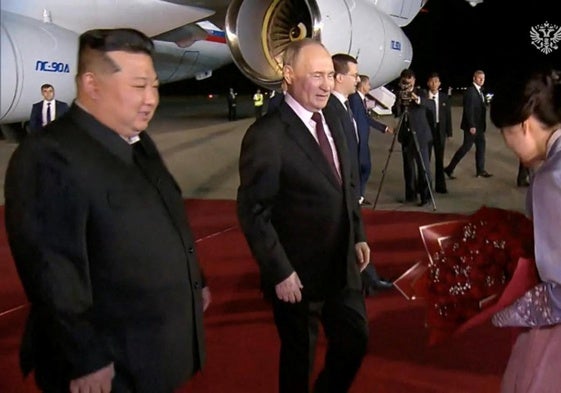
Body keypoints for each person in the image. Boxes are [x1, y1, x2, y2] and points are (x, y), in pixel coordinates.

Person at [4, 28, 210, 393]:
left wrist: (197, 280)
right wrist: (85, 357)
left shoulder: (136, 141)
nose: (151, 99)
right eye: (138, 86)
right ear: (92, 84)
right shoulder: (49, 157)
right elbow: (52, 270)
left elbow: (166, 215)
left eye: (155, 86)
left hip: (148, 351)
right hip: (108, 366)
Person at [237, 38, 370, 393]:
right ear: (289, 75)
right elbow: (253, 211)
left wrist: (358, 233)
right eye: (317, 75)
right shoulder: (267, 135)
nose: (327, 84)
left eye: (330, 75)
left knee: (355, 341)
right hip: (296, 277)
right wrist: (279, 270)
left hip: (341, 264)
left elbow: (346, 185)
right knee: (299, 361)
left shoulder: (336, 119)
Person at [489, 67, 561, 393]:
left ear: (524, 124)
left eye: (505, 133)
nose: (507, 145)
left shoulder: (552, 178)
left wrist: (506, 306)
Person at [348, 74, 393, 203]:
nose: (370, 86)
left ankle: (359, 197)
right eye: (368, 84)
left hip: (362, 142)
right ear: (362, 85)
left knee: (364, 168)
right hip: (359, 142)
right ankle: (357, 197)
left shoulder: (360, 99)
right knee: (363, 168)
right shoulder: (355, 99)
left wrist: (383, 128)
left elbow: (366, 119)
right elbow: (356, 122)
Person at [393, 68, 433, 206]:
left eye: (409, 82)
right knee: (408, 168)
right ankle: (410, 195)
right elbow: (396, 112)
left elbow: (430, 105)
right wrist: (399, 100)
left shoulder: (421, 92)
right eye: (405, 82)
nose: (407, 85)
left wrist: (417, 99)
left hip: (420, 135)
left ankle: (426, 196)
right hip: (406, 136)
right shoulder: (400, 93)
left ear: (414, 81)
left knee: (423, 167)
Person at [445, 70, 492, 178]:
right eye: (479, 78)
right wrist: (471, 125)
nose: (481, 80)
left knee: (481, 147)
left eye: (483, 78)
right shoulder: (471, 91)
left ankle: (480, 170)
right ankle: (449, 168)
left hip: (479, 127)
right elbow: (468, 110)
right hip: (473, 127)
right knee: (465, 147)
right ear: (474, 78)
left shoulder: (480, 91)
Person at [422, 72, 453, 194]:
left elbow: (448, 116)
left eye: (436, 81)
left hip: (440, 131)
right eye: (432, 81)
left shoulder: (444, 97)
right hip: (427, 130)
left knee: (439, 160)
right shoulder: (424, 97)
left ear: (439, 83)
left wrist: (449, 133)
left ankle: (440, 186)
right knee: (426, 159)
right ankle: (424, 187)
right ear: (428, 83)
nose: (434, 83)